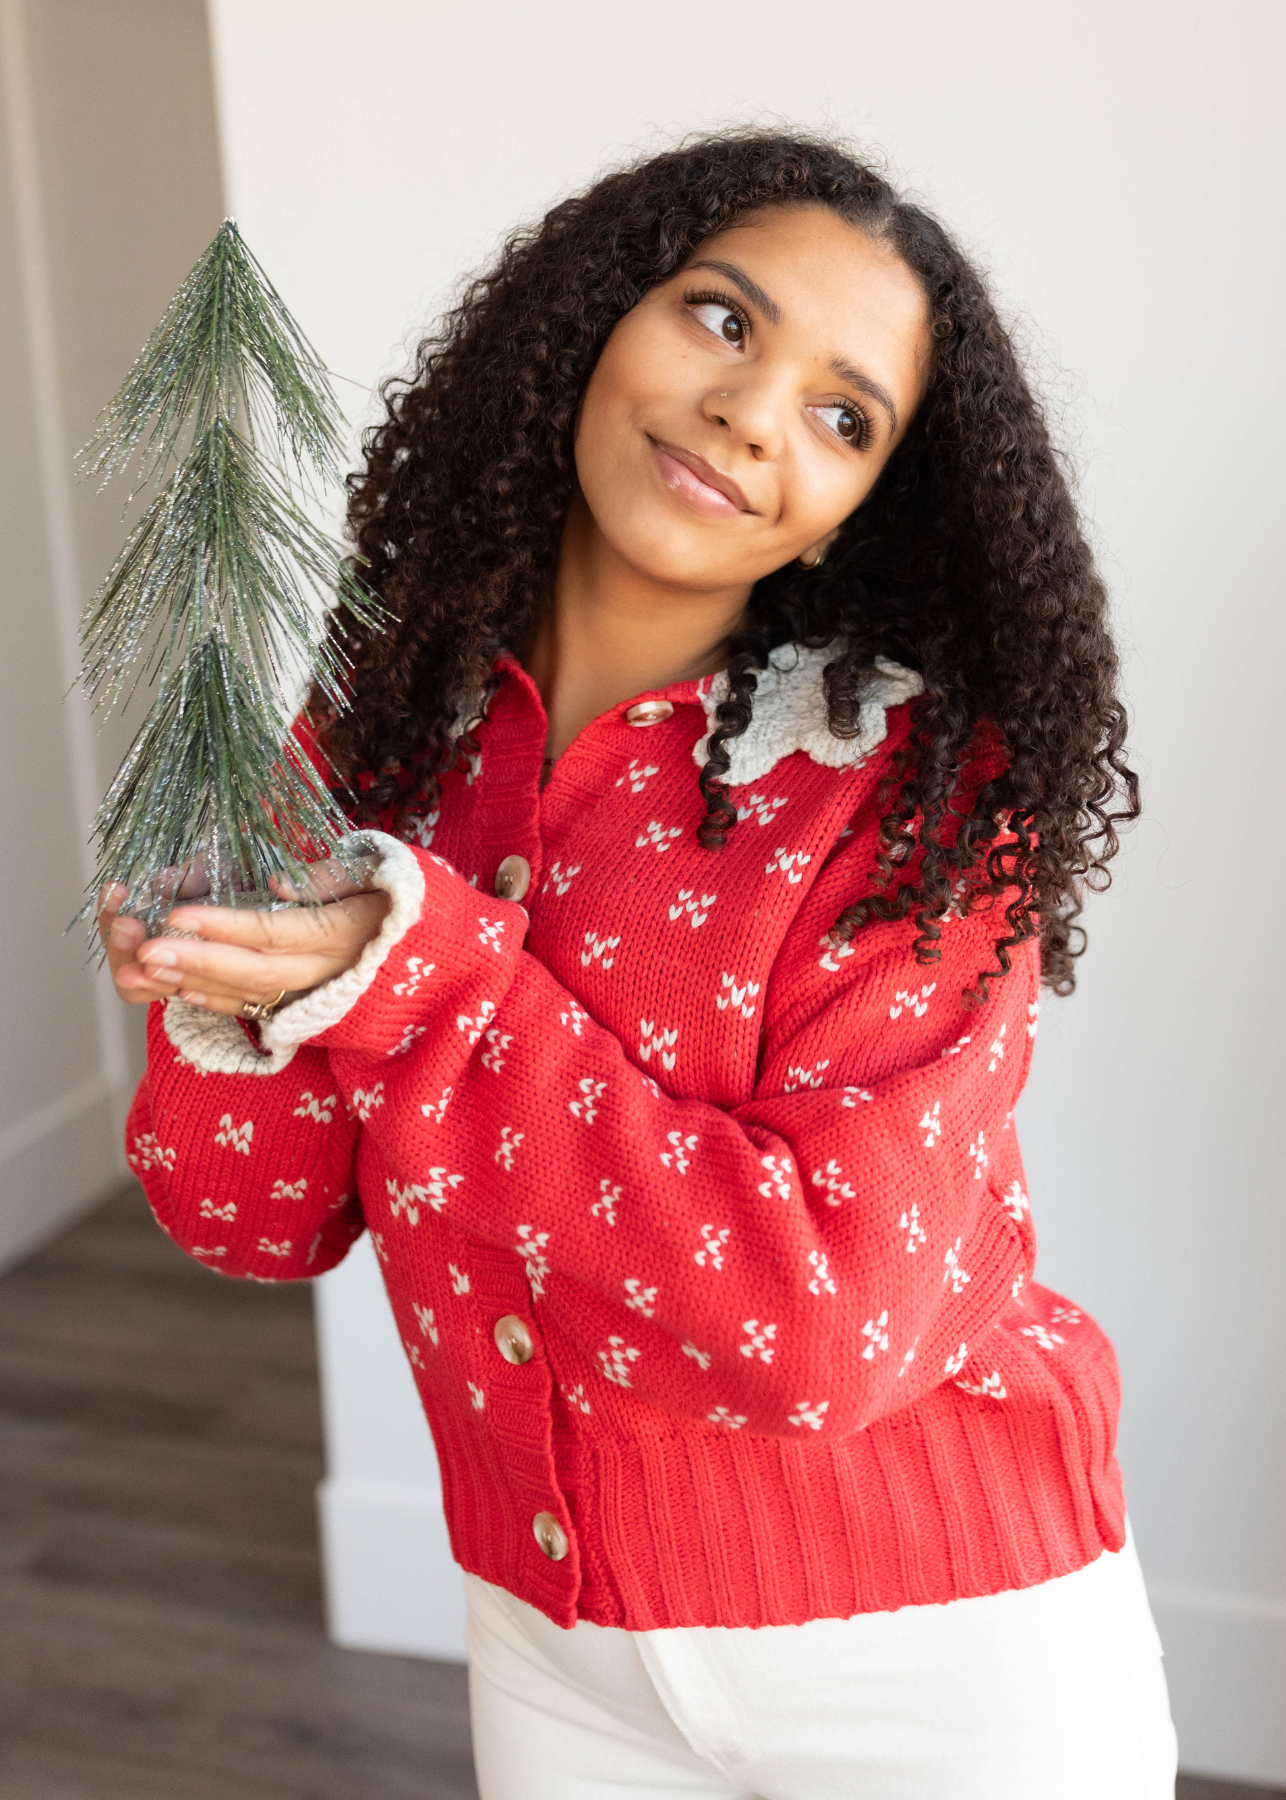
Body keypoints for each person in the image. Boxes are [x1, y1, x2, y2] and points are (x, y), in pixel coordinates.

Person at [100, 133, 1178, 1798]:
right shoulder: (386, 728)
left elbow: (819, 1327)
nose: (754, 413)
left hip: (941, 1648)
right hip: (551, 1643)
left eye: (841, 416)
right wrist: (225, 996)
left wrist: (409, 977)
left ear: (850, 514)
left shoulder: (917, 803)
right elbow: (248, 1217)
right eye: (721, 320)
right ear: (594, 325)